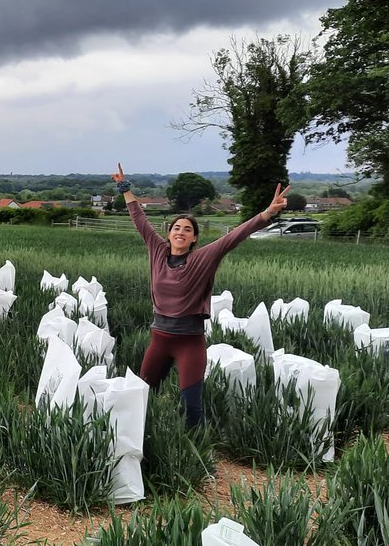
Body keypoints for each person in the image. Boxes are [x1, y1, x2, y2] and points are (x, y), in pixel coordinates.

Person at [112, 163, 289, 426]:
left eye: (187, 229)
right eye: (176, 228)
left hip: (189, 342)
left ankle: (195, 458)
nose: (180, 232)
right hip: (159, 339)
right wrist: (124, 187)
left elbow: (235, 236)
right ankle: (146, 445)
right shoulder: (157, 250)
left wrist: (266, 214)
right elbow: (140, 219)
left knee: (192, 407)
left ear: (194, 238)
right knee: (142, 396)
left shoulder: (203, 258)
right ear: (168, 234)